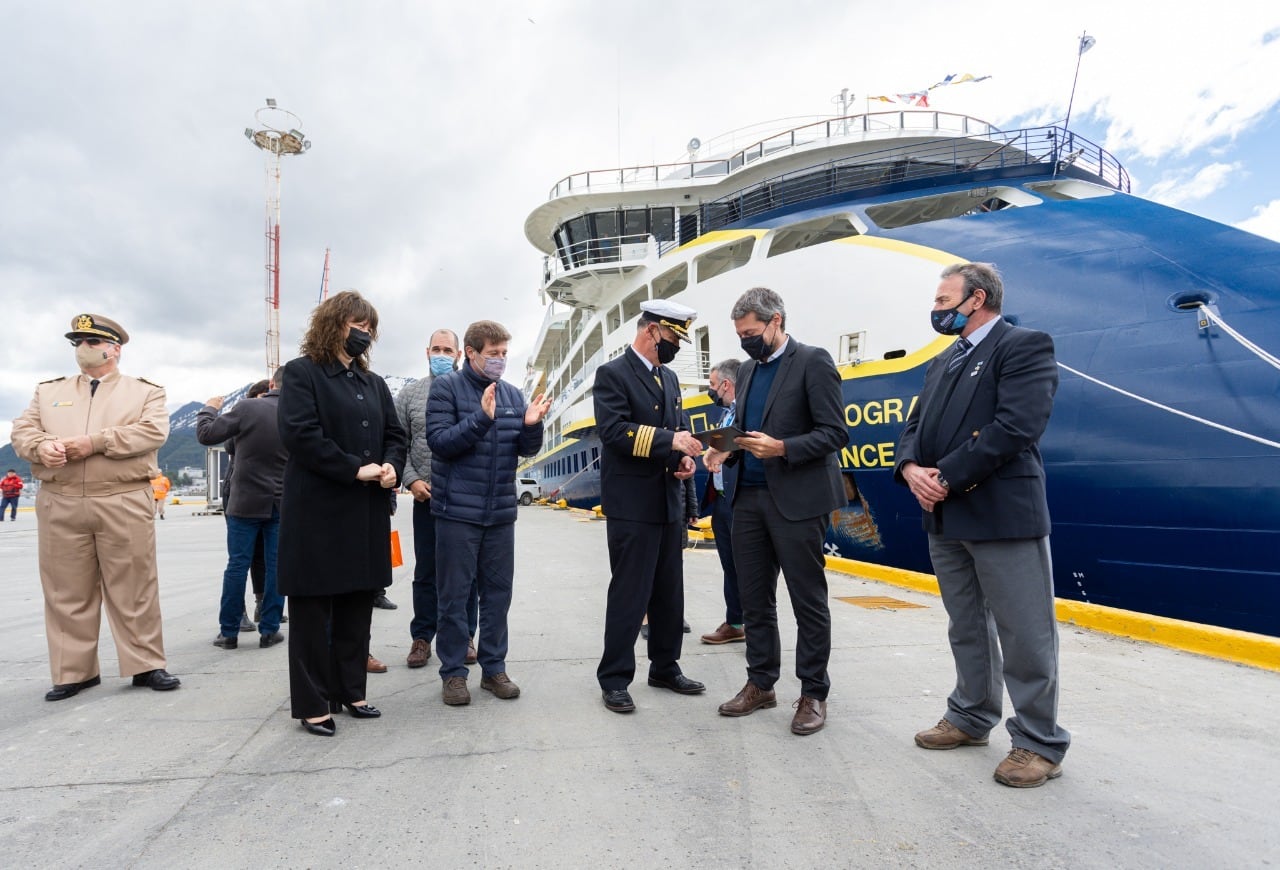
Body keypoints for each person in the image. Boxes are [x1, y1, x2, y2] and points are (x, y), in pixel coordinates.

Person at [894, 262, 1070, 788]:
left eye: (944, 298)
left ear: (975, 299)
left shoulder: (1023, 346)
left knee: (1025, 631)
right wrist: (909, 469)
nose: (937, 307)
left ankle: (1038, 742)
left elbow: (1016, 426)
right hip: (945, 516)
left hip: (1000, 513)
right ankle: (971, 716)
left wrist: (943, 476)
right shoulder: (944, 361)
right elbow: (914, 425)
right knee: (965, 624)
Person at [12, 313, 181, 701]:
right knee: (65, 589)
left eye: (90, 342)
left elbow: (152, 431)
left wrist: (96, 442)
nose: (81, 350)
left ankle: (145, 665)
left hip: (121, 496)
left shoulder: (144, 391)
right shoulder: (47, 391)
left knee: (134, 585)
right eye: (77, 343)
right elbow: (23, 430)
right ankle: (75, 671)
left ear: (113, 348)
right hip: (62, 499)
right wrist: (40, 447)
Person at [704, 287, 846, 736]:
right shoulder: (746, 370)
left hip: (798, 502)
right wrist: (720, 450)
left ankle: (813, 693)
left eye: (751, 333)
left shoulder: (813, 361)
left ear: (776, 321)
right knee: (755, 600)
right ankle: (761, 683)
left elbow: (835, 433)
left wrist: (783, 447)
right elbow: (744, 427)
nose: (746, 341)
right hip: (747, 499)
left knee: (808, 601)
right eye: (740, 334)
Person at [277, 291, 407, 736]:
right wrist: (355, 468)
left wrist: (392, 465)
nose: (364, 334)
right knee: (313, 609)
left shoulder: (373, 383)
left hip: (366, 510)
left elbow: (395, 433)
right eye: (357, 324)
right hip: (317, 511)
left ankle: (352, 690)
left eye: (369, 328)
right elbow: (300, 435)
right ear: (333, 323)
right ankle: (313, 702)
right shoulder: (300, 373)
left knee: (357, 604)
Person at [426, 320, 550, 706]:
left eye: (504, 354)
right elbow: (441, 442)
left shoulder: (513, 395)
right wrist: (481, 417)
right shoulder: (446, 389)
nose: (500, 361)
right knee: (453, 596)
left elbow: (524, 450)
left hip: (499, 515)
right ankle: (453, 674)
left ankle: (494, 668)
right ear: (472, 353)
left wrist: (532, 425)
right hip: (456, 514)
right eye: (492, 354)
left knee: (497, 596)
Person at [595, 300, 706, 714]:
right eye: (673, 338)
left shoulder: (670, 378)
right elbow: (613, 431)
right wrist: (670, 442)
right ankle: (614, 678)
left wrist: (683, 459)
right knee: (629, 593)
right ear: (650, 332)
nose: (676, 346)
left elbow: (675, 430)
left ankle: (664, 666)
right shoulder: (613, 374)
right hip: (632, 504)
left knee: (668, 594)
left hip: (667, 502)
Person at [394, 328, 480, 669]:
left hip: (462, 499)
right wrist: (411, 480)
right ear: (426, 352)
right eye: (437, 348)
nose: (442, 354)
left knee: (466, 573)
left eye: (448, 349)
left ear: (460, 355)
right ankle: (422, 637)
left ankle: (465, 636)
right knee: (426, 571)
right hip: (425, 497)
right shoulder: (410, 395)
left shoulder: (472, 391)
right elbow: (398, 443)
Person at [196, 369, 288, 651]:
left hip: (244, 502)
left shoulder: (248, 407)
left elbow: (208, 435)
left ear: (272, 383)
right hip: (281, 502)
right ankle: (270, 630)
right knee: (275, 567)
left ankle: (229, 632)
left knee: (237, 565)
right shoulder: (300, 414)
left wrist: (209, 409)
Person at [698, 358, 745, 645]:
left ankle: (751, 624)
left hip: (740, 499)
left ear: (726, 384)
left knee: (746, 566)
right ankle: (735, 621)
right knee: (730, 564)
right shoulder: (728, 413)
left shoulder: (746, 412)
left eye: (713, 386)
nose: (712, 391)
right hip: (722, 501)